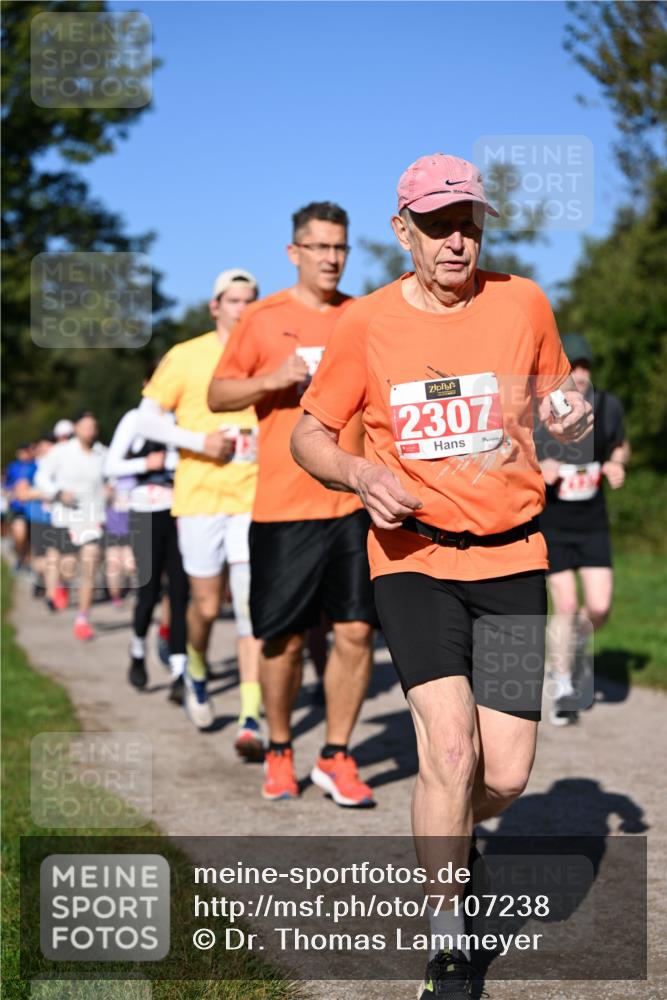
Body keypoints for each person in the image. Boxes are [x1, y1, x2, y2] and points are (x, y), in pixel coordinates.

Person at [290, 154, 592, 996]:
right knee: (449, 751)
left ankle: (449, 834)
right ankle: (446, 938)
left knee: (501, 774)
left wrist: (569, 416)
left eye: (467, 222)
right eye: (435, 225)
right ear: (402, 232)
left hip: (510, 559)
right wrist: (359, 476)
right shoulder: (368, 324)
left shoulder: (523, 301)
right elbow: (308, 434)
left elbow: (556, 405)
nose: (454, 240)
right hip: (412, 561)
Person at [208, 203, 377, 807]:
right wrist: (270, 379)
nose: (332, 258)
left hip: (354, 503)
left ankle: (336, 753)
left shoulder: (364, 315)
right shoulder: (262, 317)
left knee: (356, 631)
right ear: (294, 252)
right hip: (282, 506)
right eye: (320, 247)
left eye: (340, 248)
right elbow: (219, 392)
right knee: (282, 640)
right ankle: (280, 748)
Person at [141, 269, 264, 758]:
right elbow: (145, 417)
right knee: (207, 606)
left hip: (253, 496)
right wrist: (198, 442)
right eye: (233, 300)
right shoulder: (186, 355)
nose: (242, 308)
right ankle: (193, 665)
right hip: (199, 498)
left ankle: (250, 715)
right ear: (215, 306)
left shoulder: (266, 355)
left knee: (251, 608)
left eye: (250, 300)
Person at [535, 332, 629, 725]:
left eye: (584, 366)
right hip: (554, 522)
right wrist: (542, 469)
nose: (579, 374)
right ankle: (562, 684)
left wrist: (617, 464)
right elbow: (518, 456)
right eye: (571, 367)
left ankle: (572, 647)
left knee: (600, 605)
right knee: (567, 605)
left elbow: (620, 445)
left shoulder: (607, 407)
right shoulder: (541, 410)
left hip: (592, 523)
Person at [104, 378, 189, 701]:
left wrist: (172, 463)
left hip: (180, 509)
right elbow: (110, 466)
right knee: (149, 592)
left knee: (180, 592)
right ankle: (138, 650)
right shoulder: (135, 420)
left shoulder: (183, 417)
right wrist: (146, 463)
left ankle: (180, 671)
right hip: (145, 512)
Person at [35, 411, 107, 640]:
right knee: (67, 567)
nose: (89, 430)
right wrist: (57, 493)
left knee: (89, 565)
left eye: (92, 426)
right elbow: (41, 477)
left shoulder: (102, 454)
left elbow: (111, 478)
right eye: (85, 426)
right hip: (65, 517)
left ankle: (82, 619)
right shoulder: (60, 452)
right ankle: (60, 585)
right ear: (76, 428)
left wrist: (111, 491)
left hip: (92, 519)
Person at [5, 443, 36, 571]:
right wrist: (11, 492)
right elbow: (7, 485)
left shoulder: (36, 466)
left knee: (30, 537)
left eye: (26, 451)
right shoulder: (13, 467)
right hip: (18, 507)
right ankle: (20, 556)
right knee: (20, 535)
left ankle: (28, 561)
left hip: (33, 507)